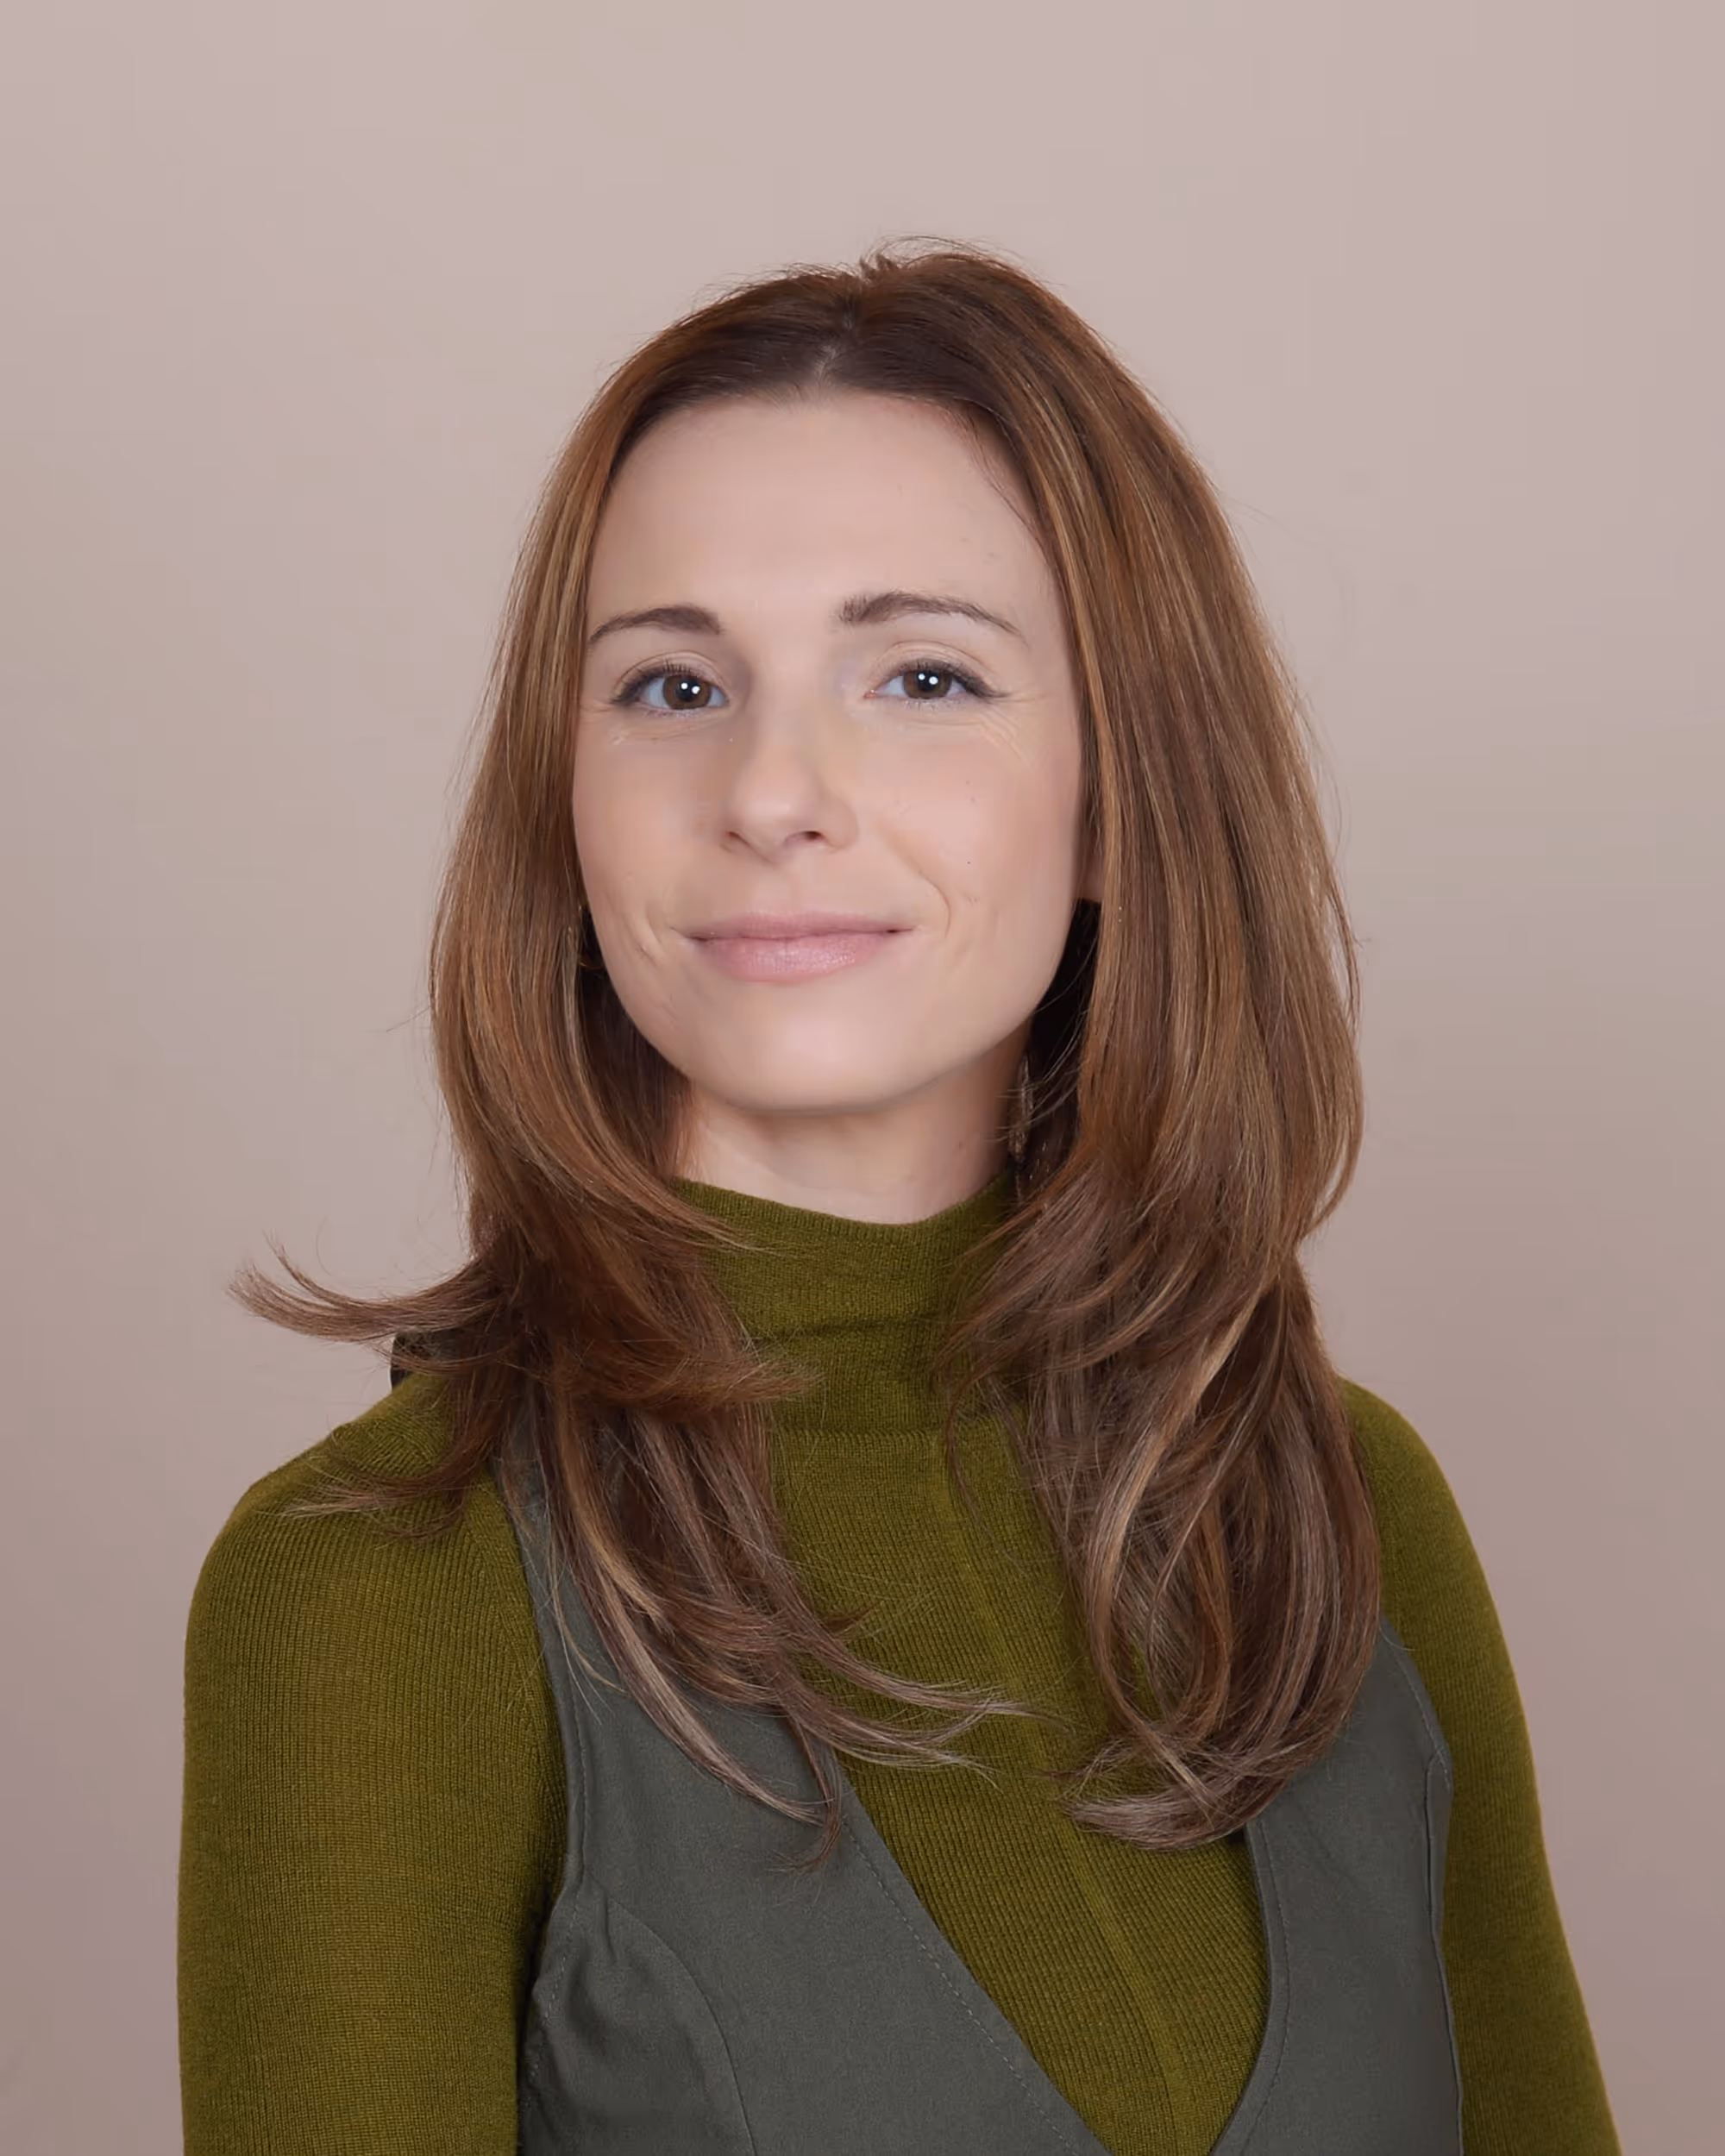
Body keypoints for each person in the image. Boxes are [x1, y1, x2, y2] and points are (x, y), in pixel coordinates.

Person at [178, 238, 1619, 2155]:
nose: (771, 790)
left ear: (1117, 794)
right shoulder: (375, 1586)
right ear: (565, 803)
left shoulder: (1351, 1512)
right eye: (672, 684)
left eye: (924, 674)